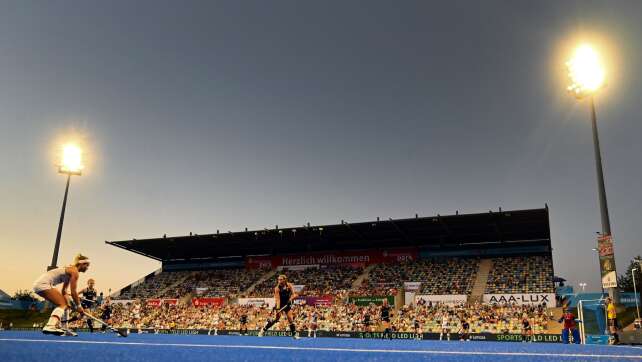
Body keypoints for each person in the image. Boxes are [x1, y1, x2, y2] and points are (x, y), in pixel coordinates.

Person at [32, 254, 90, 335]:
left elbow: (64, 291)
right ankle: (50, 325)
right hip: (44, 284)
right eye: (87, 265)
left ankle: (65, 329)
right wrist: (79, 306)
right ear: (81, 264)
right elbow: (73, 292)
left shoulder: (70, 271)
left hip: (43, 284)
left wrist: (70, 302)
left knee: (66, 305)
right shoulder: (75, 272)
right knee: (62, 304)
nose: (87, 268)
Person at [258, 274, 299, 339]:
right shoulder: (277, 288)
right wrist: (278, 309)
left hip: (287, 303)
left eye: (281, 279)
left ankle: (294, 335)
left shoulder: (289, 285)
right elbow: (278, 300)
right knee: (276, 319)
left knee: (290, 318)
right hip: (280, 304)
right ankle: (263, 330)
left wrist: (290, 300)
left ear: (285, 280)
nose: (279, 281)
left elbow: (294, 294)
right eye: (278, 279)